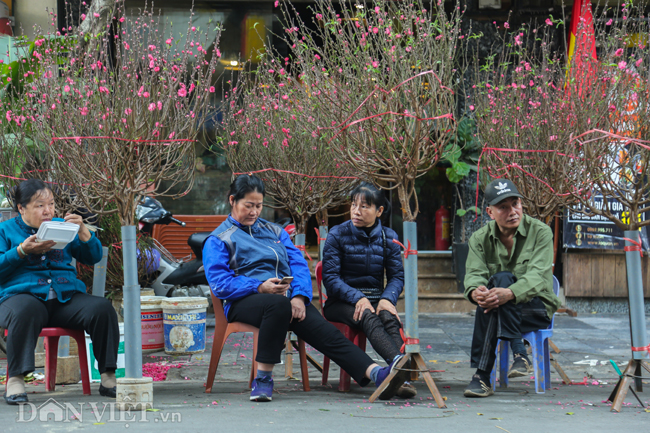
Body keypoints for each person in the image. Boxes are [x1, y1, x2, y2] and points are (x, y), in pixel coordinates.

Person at [202, 175, 409, 402]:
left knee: (323, 330)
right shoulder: (219, 239)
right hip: (244, 301)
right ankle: (263, 379)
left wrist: (299, 297)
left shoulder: (275, 232)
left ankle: (376, 373)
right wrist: (259, 286)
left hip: (285, 299)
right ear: (232, 201)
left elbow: (298, 265)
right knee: (277, 304)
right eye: (248, 206)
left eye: (259, 206)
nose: (254, 212)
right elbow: (220, 283)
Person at [0, 179, 120, 405]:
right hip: (20, 299)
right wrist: (21, 251)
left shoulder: (62, 227)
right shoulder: (5, 230)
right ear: (21, 208)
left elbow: (93, 257)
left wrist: (84, 233)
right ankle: (15, 379)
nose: (48, 211)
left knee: (102, 308)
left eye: (51, 204)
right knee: (26, 309)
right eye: (39, 205)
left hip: (65, 298)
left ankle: (108, 377)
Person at [462, 178, 561, 397]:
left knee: (500, 288)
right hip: (501, 307)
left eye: (515, 203)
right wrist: (476, 291)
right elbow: (474, 274)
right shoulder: (479, 239)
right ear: (490, 211)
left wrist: (509, 294)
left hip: (537, 308)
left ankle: (482, 376)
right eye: (503, 207)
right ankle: (520, 353)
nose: (512, 211)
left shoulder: (541, 232)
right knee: (494, 296)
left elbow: (536, 277)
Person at [322, 182, 416, 399]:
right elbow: (331, 279)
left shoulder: (388, 237)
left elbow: (397, 277)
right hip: (340, 302)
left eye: (364, 206)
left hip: (375, 298)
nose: (356, 211)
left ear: (379, 211)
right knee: (367, 314)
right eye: (354, 205)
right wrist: (358, 297)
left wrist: (387, 299)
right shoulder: (337, 235)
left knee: (388, 316)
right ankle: (399, 367)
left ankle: (401, 379)